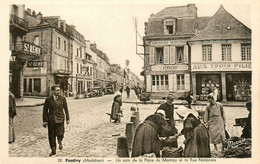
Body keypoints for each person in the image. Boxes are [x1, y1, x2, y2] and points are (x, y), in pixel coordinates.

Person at [43, 85, 70, 157]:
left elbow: (66, 109)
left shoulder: (63, 99)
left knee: (61, 132)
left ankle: (60, 141)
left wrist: (67, 118)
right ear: (53, 91)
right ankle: (53, 149)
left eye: (59, 90)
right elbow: (45, 111)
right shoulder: (48, 100)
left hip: (60, 119)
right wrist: (45, 121)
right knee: (51, 135)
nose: (59, 92)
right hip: (51, 120)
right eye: (57, 90)